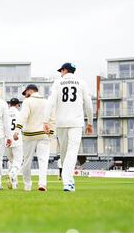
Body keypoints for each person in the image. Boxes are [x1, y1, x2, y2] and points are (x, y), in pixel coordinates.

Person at [43, 62, 94, 192]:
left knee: (65, 152)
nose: (60, 73)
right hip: (76, 122)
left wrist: (45, 121)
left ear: (65, 70)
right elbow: (88, 104)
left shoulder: (58, 83)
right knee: (71, 152)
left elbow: (50, 102)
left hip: (61, 122)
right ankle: (68, 182)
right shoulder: (82, 83)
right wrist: (90, 122)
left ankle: (68, 181)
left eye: (61, 71)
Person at [14, 84, 55, 192]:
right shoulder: (46, 102)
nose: (25, 96)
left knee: (27, 161)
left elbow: (23, 116)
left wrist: (17, 130)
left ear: (30, 91)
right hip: (44, 134)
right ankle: (42, 184)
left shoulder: (28, 101)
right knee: (43, 161)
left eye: (26, 93)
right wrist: (51, 133)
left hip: (29, 135)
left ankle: (27, 185)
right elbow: (52, 119)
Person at [6, 98, 23, 189]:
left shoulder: (5, 113)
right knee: (18, 162)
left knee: (11, 162)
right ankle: (11, 174)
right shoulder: (19, 114)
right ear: (17, 105)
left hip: (7, 140)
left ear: (9, 104)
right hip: (17, 139)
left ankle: (14, 184)